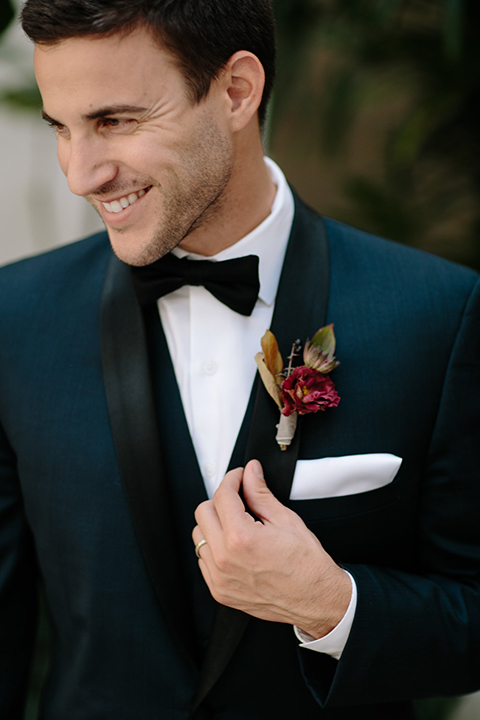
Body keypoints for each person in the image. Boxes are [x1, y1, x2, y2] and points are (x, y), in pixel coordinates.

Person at [0, 0, 479, 717]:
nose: (81, 174)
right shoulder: (14, 318)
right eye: (61, 129)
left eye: (115, 121)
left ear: (236, 92)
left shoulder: (436, 315)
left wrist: (331, 606)